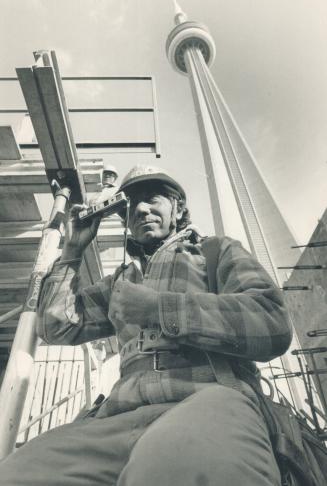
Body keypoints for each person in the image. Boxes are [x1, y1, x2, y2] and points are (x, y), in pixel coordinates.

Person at [1, 164, 292, 486]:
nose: (140, 209)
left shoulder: (214, 251)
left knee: (176, 464)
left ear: (177, 207)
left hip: (208, 397)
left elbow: (271, 323)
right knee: (21, 473)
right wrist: (73, 250)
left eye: (153, 199)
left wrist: (158, 308)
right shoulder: (119, 282)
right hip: (118, 417)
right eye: (130, 206)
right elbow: (57, 327)